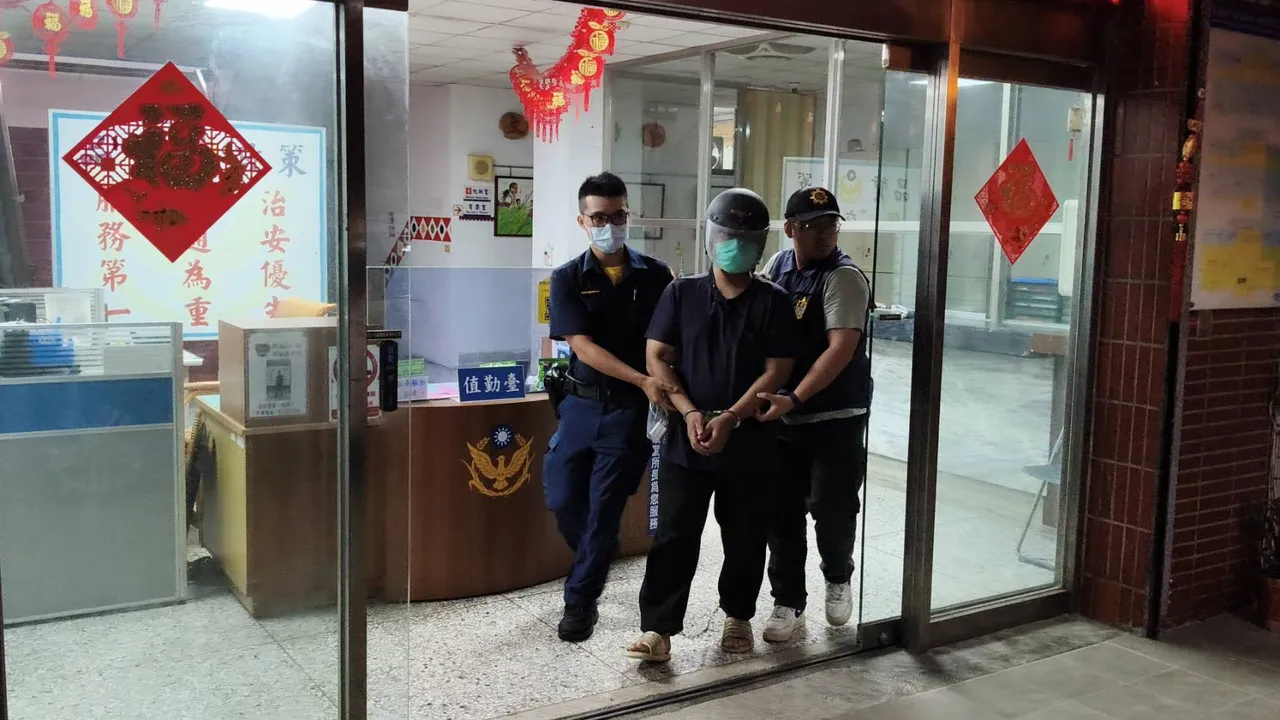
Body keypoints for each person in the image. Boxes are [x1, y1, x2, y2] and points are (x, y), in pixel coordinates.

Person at [626, 188, 799, 663]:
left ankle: (738, 615)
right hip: (687, 437)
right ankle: (658, 629)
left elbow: (778, 369)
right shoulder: (681, 293)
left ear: (760, 243)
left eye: (746, 238)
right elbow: (657, 356)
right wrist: (689, 412)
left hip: (750, 440)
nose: (735, 245)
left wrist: (731, 417)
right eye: (727, 235)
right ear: (710, 236)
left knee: (745, 534)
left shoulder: (773, 301)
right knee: (674, 534)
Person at [544, 172, 677, 643]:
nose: (610, 225)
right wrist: (642, 377)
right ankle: (597, 553)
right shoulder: (567, 278)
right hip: (580, 405)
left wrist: (657, 383)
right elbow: (581, 346)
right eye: (599, 217)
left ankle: (580, 602)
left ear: (628, 216)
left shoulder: (657, 275)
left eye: (618, 215)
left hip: (628, 412)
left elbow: (667, 341)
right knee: (562, 498)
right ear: (582, 221)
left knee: (604, 508)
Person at [755, 186, 873, 642]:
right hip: (783, 419)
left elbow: (840, 350)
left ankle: (838, 576)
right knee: (781, 512)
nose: (824, 234)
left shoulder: (843, 277)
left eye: (830, 225)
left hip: (834, 417)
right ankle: (788, 601)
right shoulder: (777, 267)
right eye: (811, 226)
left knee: (832, 507)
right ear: (790, 229)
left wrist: (795, 397)